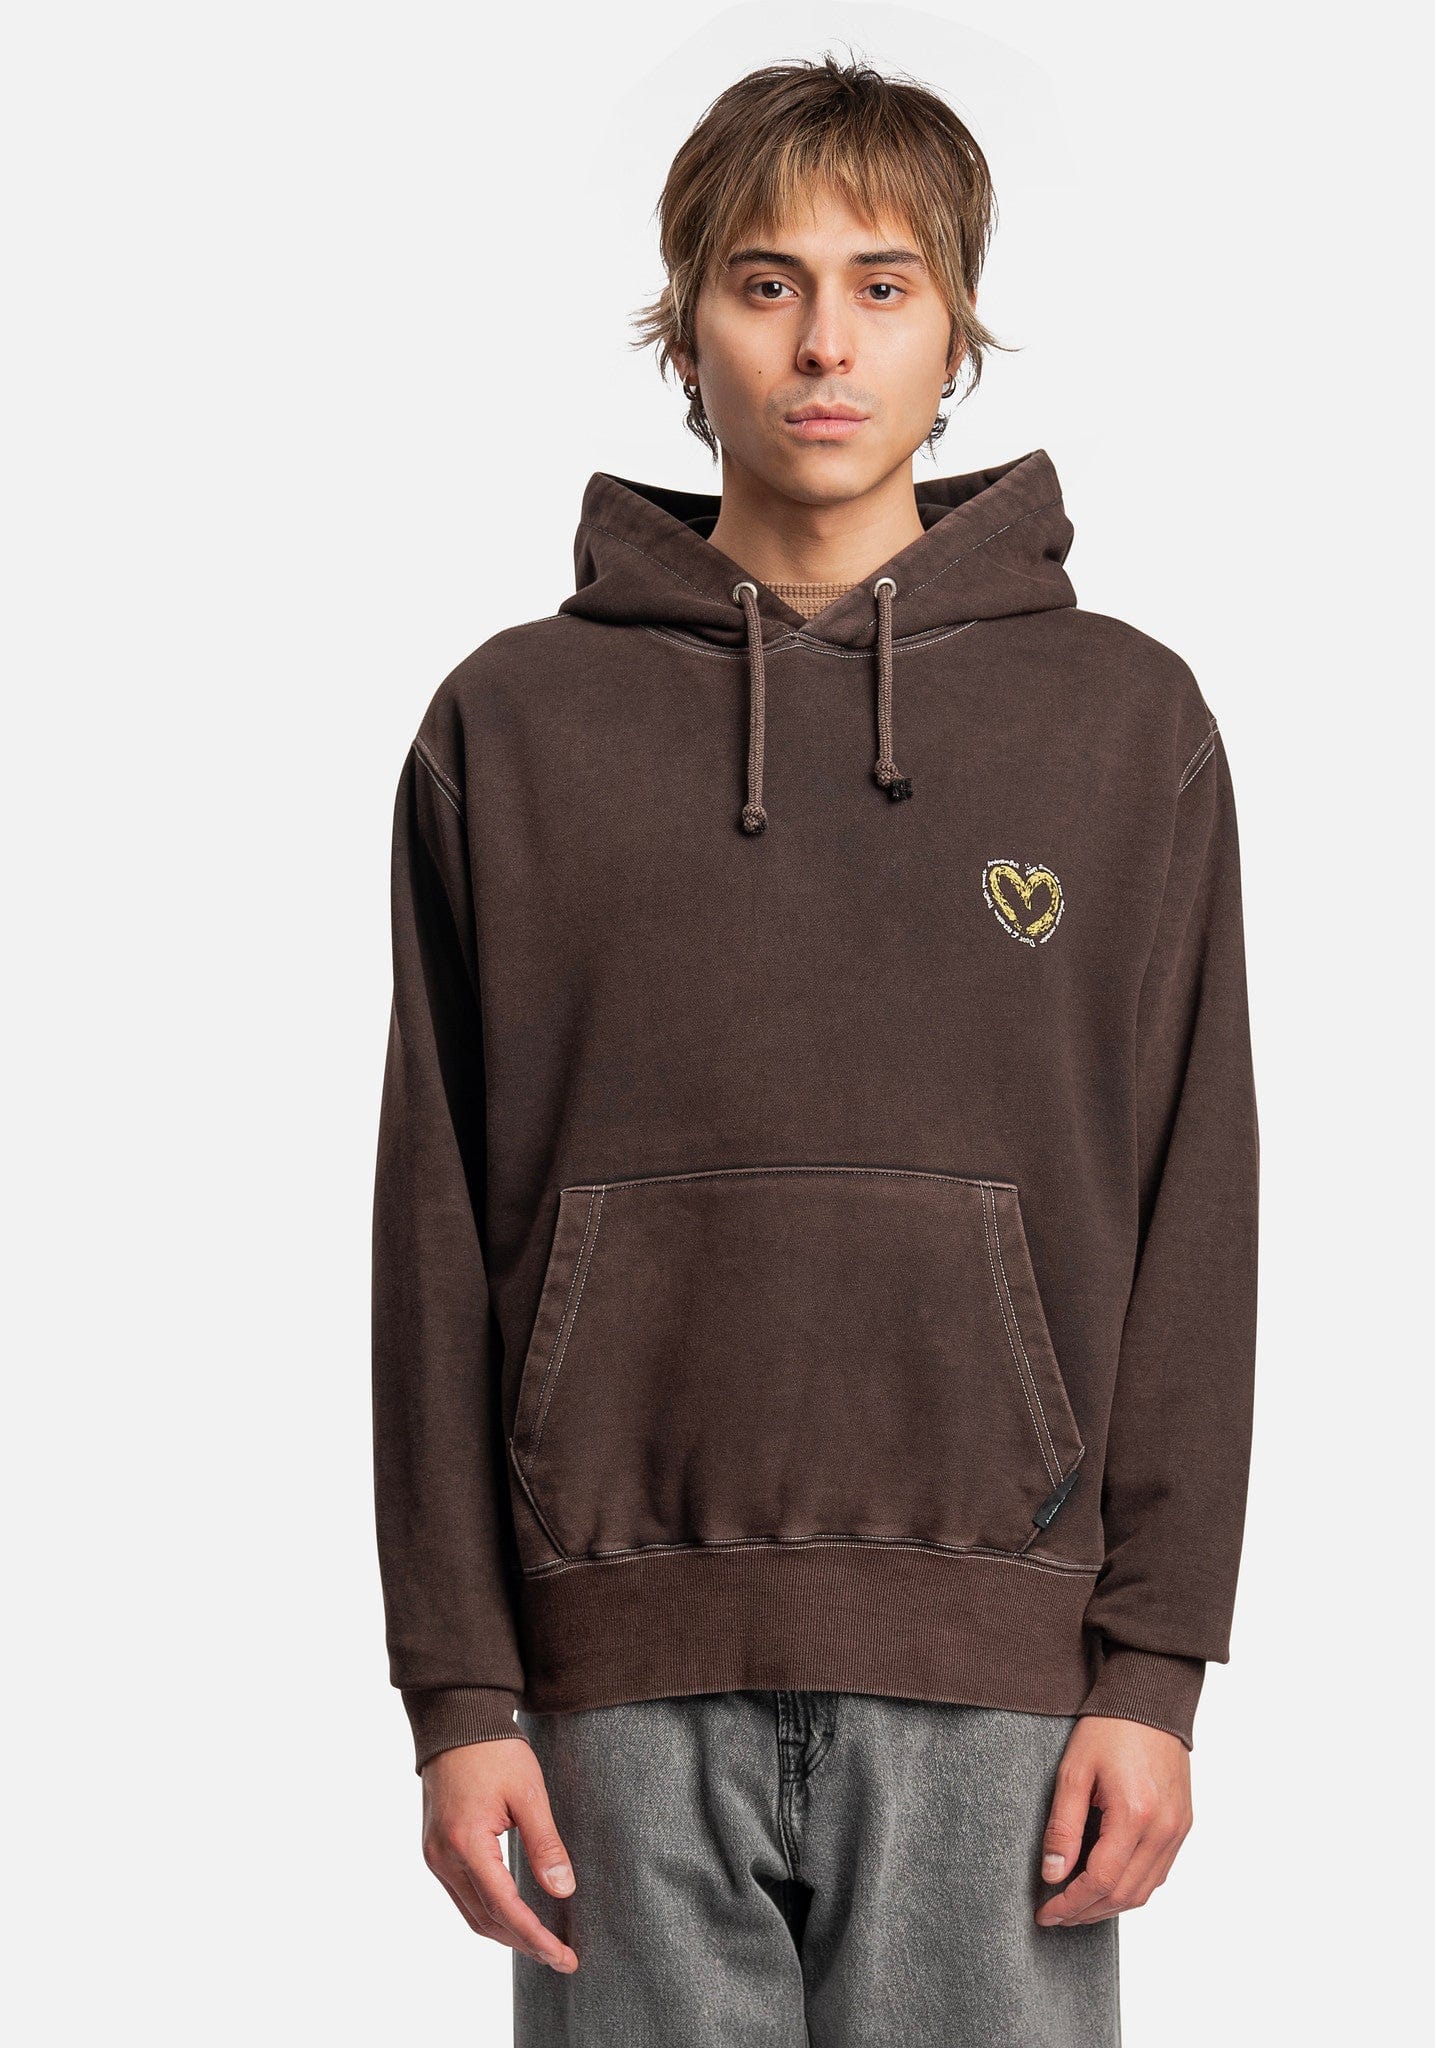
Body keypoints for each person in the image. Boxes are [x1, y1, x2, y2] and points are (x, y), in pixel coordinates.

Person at [371, 53, 1259, 2046]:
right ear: (686, 325)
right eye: (765, 284)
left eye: (883, 283)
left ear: (957, 328)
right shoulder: (509, 729)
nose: (825, 345)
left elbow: (1197, 1202)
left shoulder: (1122, 726)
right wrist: (458, 1689)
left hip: (1001, 1679)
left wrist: (1154, 1669)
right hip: (608, 1669)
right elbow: (429, 1226)